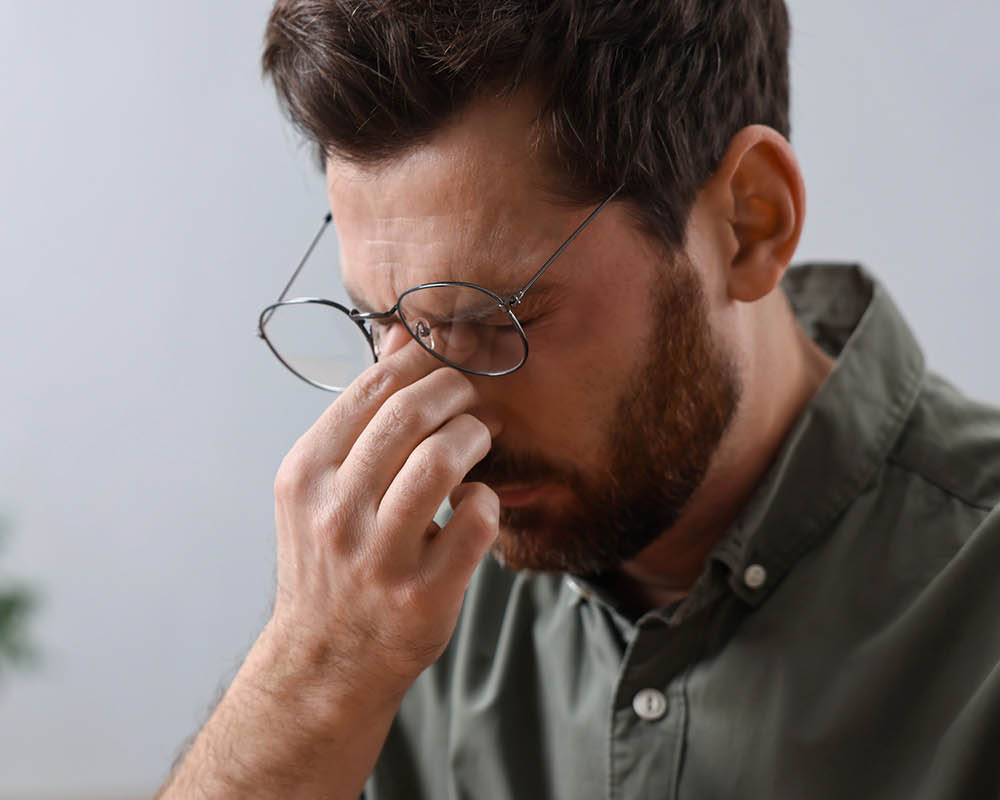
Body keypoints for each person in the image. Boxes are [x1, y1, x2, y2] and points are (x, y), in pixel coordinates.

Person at [156, 1, 1000, 798]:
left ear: (750, 223)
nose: (430, 428)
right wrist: (311, 676)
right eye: (384, 322)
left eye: (492, 319)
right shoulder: (390, 603)